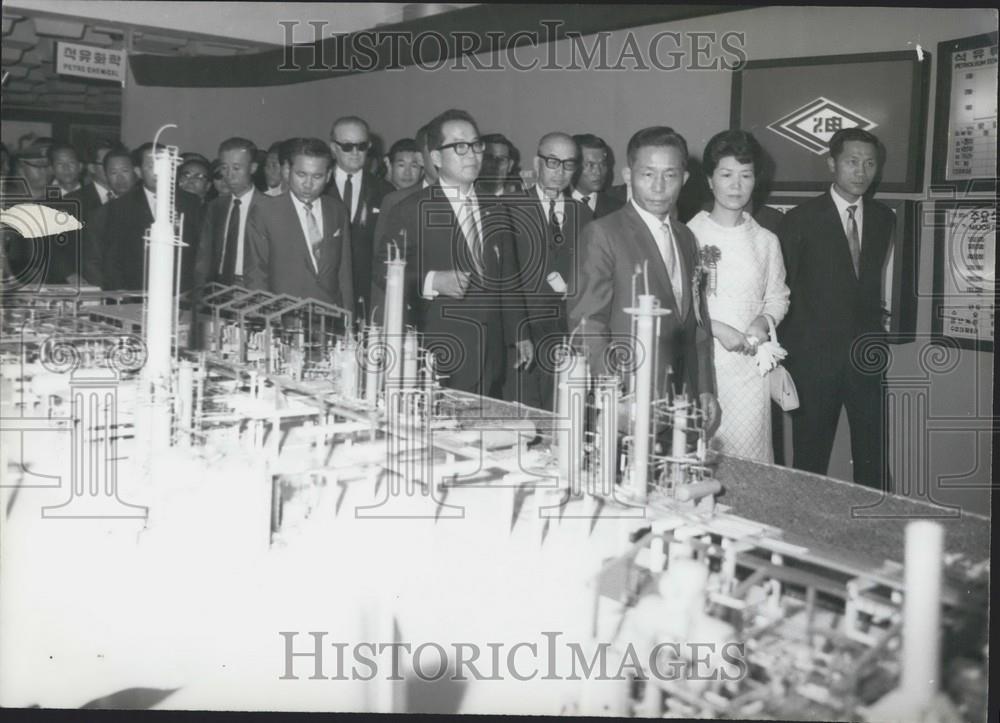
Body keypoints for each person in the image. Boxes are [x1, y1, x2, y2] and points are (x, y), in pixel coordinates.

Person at [570, 126, 720, 437]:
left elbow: (695, 320)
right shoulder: (603, 234)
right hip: (628, 399)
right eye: (647, 174)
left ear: (685, 179)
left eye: (670, 175)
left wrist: (704, 386)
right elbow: (587, 324)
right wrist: (615, 392)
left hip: (681, 401)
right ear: (628, 175)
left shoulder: (686, 237)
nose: (659, 187)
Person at [374, 109, 532, 398]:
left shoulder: (496, 207)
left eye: (475, 145)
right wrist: (433, 281)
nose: (472, 154)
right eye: (459, 146)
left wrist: (519, 334)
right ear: (435, 158)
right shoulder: (410, 210)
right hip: (440, 349)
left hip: (491, 351)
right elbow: (382, 270)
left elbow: (508, 277)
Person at [778, 127, 894, 490]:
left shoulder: (883, 218)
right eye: (852, 162)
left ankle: (872, 538)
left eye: (870, 163)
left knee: (873, 458)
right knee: (810, 461)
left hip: (867, 358)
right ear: (832, 163)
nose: (861, 171)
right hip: (813, 362)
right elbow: (785, 293)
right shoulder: (799, 219)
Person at [686, 130, 789, 463]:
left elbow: (778, 297)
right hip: (702, 365)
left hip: (748, 372)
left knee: (749, 462)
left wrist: (763, 320)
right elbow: (676, 302)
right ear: (710, 180)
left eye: (745, 176)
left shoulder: (766, 240)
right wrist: (716, 328)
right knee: (699, 461)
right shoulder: (688, 234)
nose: (736, 185)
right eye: (726, 175)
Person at [504, 132, 592, 410]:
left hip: (565, 334)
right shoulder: (510, 208)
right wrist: (518, 333)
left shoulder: (585, 215)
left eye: (568, 164)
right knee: (522, 416)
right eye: (553, 162)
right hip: (522, 333)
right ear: (537, 162)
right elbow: (503, 281)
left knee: (562, 412)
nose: (560, 172)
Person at [244, 137, 353, 308]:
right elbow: (256, 274)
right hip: (284, 315)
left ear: (328, 176)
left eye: (317, 176)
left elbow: (344, 273)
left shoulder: (337, 210)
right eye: (301, 174)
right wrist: (265, 321)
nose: (308, 184)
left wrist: (348, 320)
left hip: (331, 315)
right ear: (287, 171)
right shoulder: (265, 212)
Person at [102, 142, 202, 291]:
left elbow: (200, 252)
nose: (158, 171)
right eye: (150, 166)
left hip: (181, 291)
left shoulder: (191, 202)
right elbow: (113, 258)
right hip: (137, 292)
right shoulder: (121, 206)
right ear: (139, 171)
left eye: (163, 165)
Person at [325, 116, 394, 321]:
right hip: (327, 294)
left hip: (367, 295)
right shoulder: (319, 189)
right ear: (333, 148)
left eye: (361, 146)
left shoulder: (384, 191)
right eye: (347, 146)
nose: (355, 153)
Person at [193, 137, 261, 290]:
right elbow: (204, 255)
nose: (229, 175)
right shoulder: (215, 207)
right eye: (224, 168)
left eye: (237, 168)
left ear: (253, 168)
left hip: (254, 288)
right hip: (218, 286)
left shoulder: (270, 207)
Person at [78, 146, 136, 288]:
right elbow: (92, 261)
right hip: (112, 294)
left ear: (136, 172)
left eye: (125, 171)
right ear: (106, 175)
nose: (120, 178)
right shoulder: (99, 215)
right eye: (113, 173)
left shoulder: (153, 207)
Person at [570, 134, 624, 219]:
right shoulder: (554, 204)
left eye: (603, 164)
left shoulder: (619, 210)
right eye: (590, 165)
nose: (598, 172)